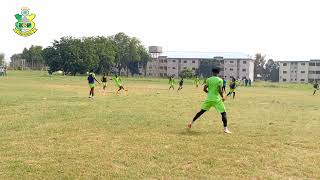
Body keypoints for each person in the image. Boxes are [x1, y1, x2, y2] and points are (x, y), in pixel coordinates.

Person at [187, 67, 231, 134]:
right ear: (218, 72)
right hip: (216, 100)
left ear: (212, 72)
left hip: (209, 99)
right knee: (223, 113)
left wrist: (210, 93)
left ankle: (191, 123)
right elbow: (220, 90)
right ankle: (225, 129)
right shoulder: (220, 80)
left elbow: (204, 89)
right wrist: (223, 97)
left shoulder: (208, 79)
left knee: (201, 112)